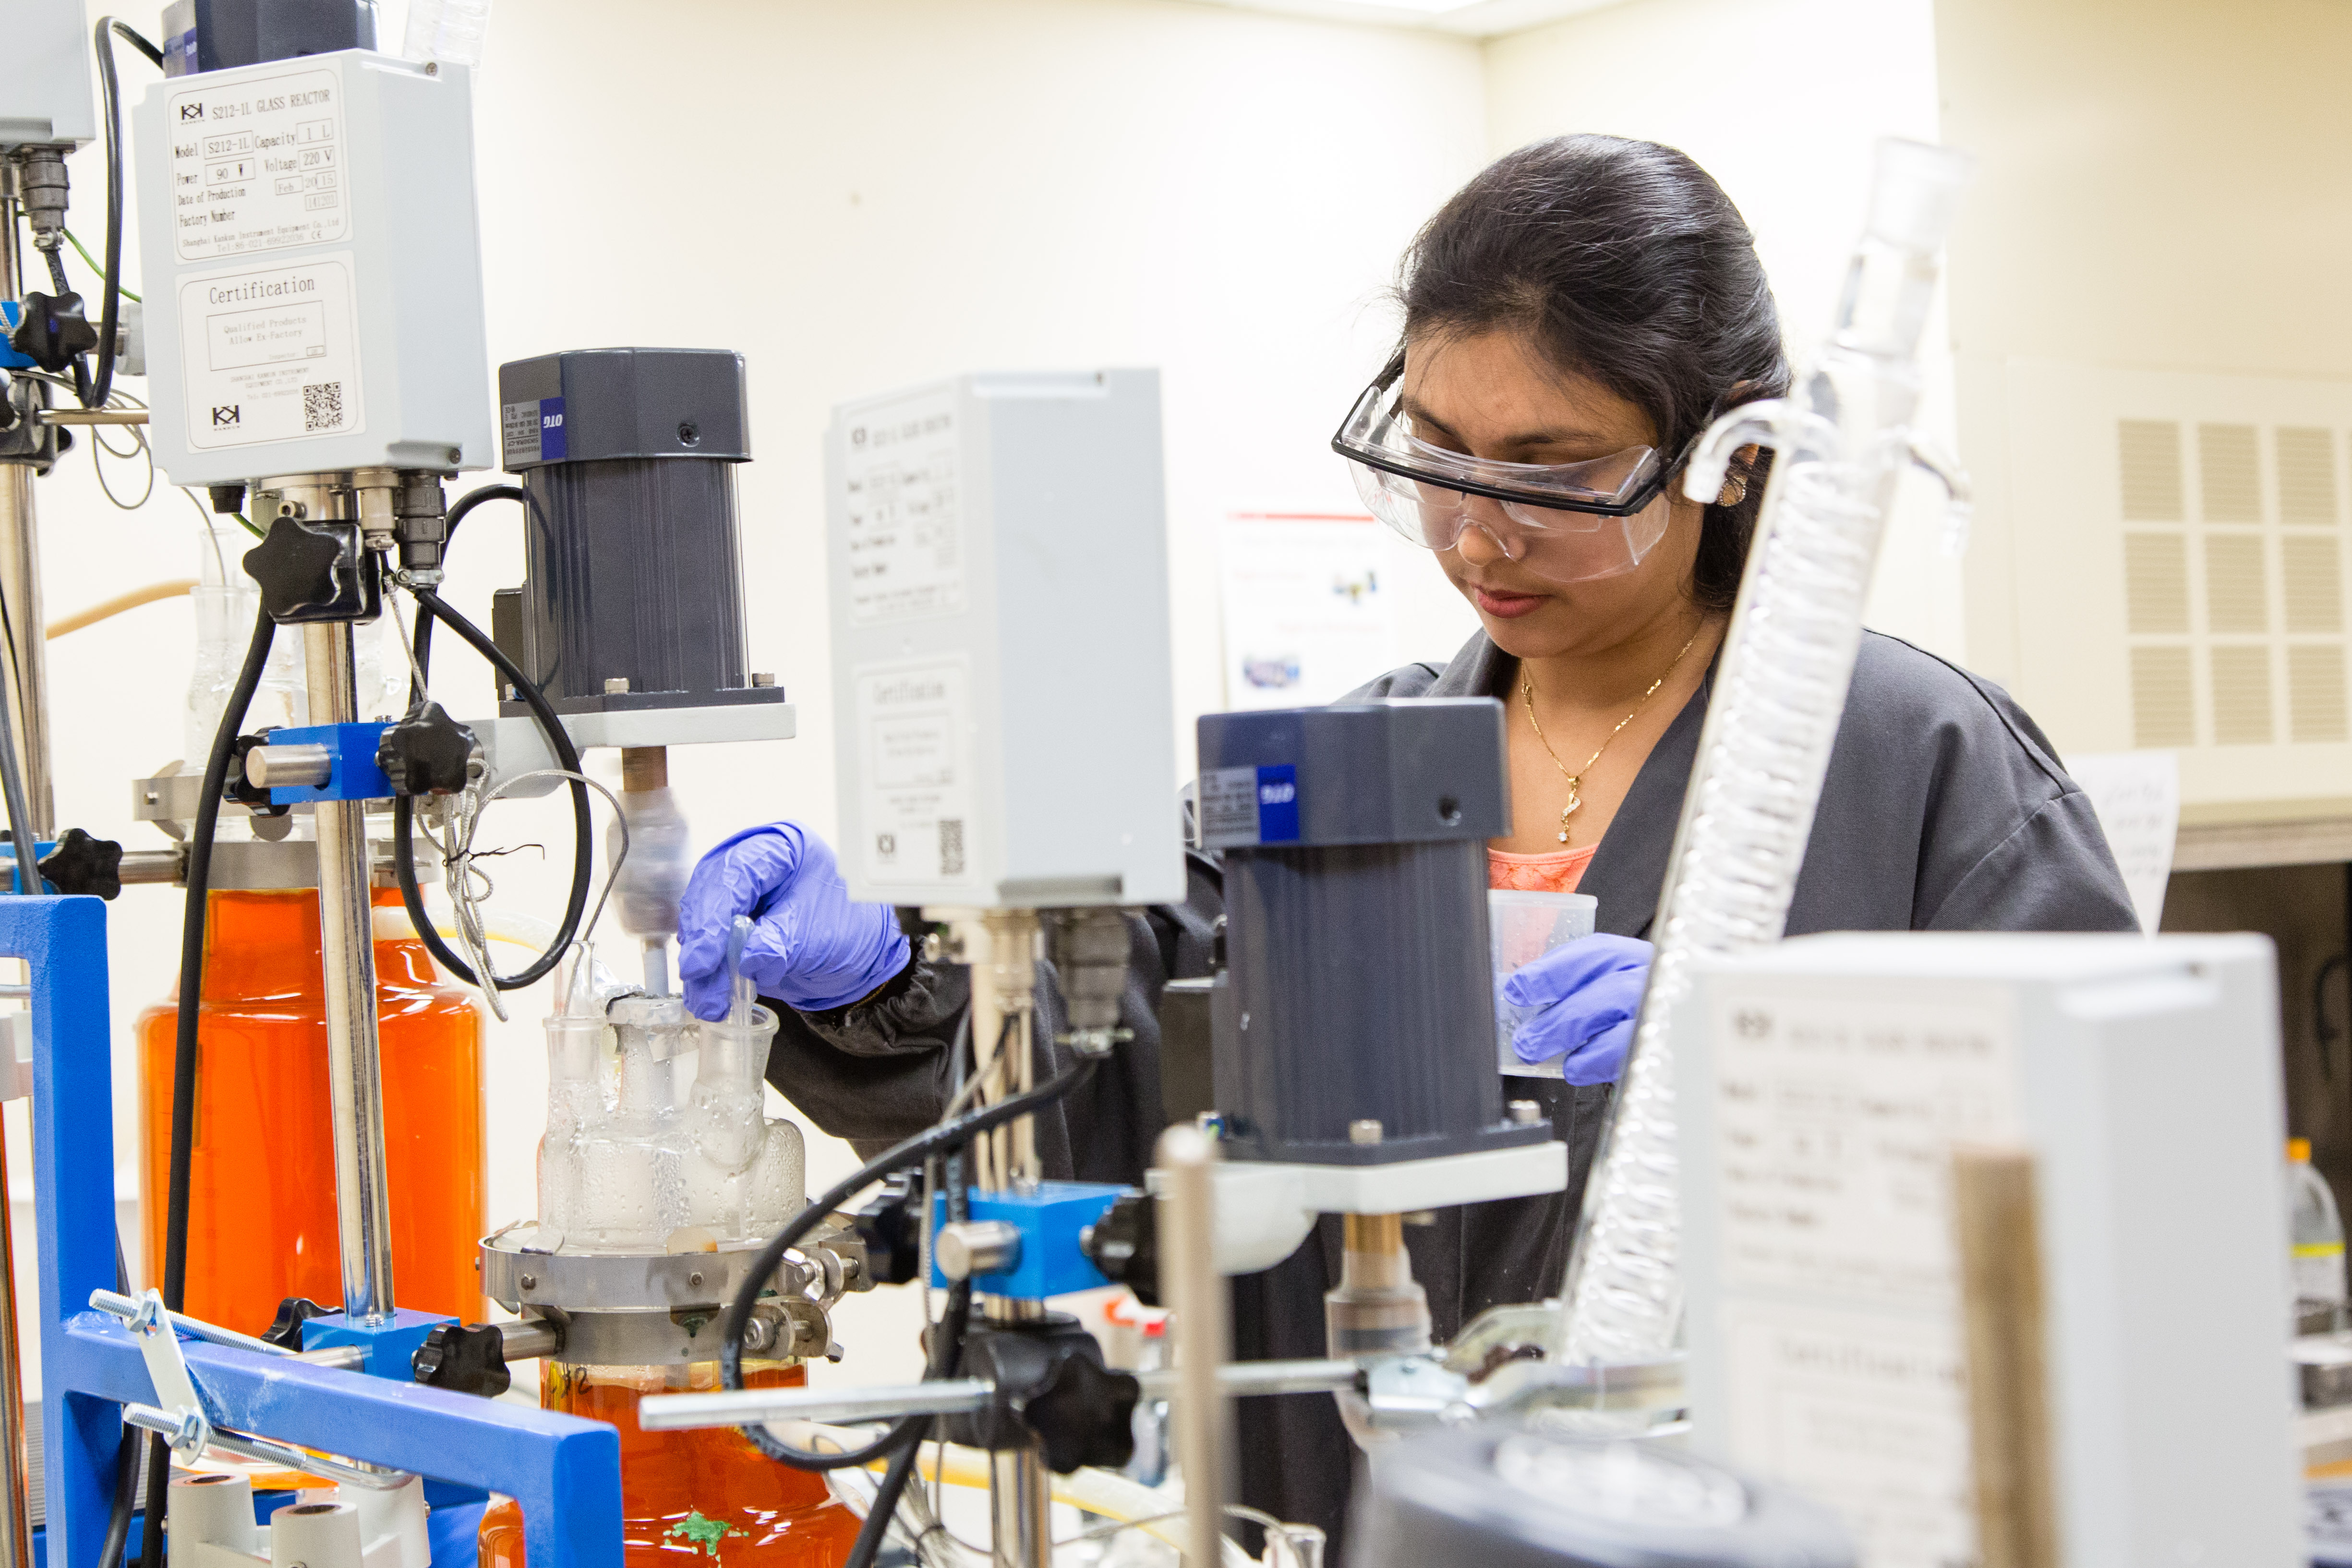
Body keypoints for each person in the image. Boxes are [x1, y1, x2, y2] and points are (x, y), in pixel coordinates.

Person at [675, 134, 2138, 1559]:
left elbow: (2118, 1199)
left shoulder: (1906, 763)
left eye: (1551, 470)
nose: (1476, 535)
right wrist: (879, 971)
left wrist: (1788, 1086)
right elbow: (1073, 1075)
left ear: (1725, 459)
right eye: (1440, 455)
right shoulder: (1337, 777)